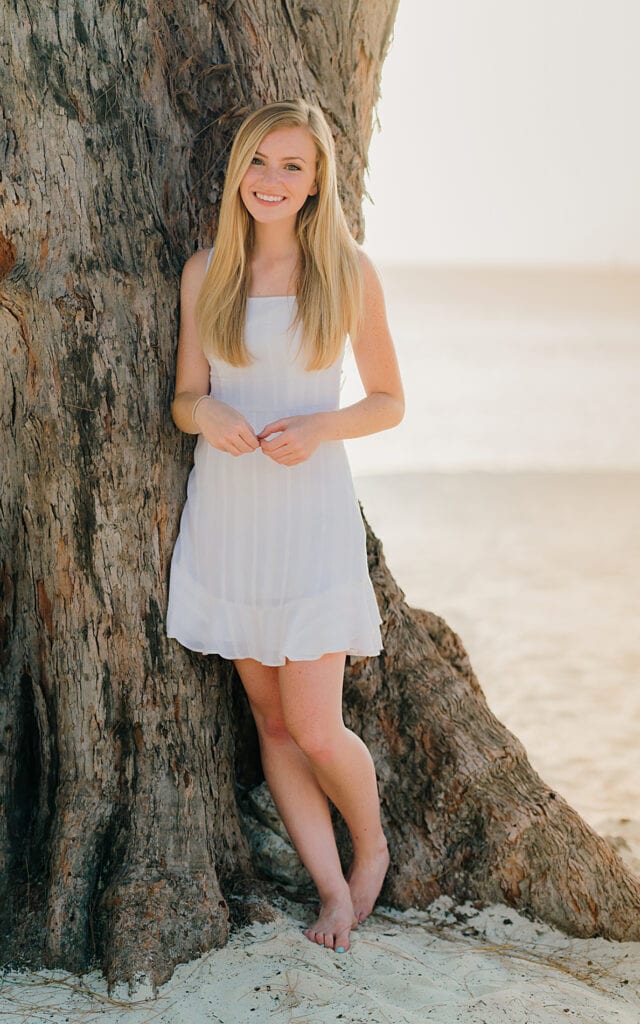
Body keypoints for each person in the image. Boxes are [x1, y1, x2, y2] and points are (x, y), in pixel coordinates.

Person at [166, 98, 404, 955]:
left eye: (292, 167)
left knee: (312, 724)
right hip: (230, 517)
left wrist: (317, 425)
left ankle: (370, 845)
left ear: (315, 183)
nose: (272, 180)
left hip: (307, 519)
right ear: (239, 171)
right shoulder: (208, 272)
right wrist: (210, 413)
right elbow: (184, 399)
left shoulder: (346, 269)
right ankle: (332, 889)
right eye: (260, 162)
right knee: (270, 725)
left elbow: (388, 401)